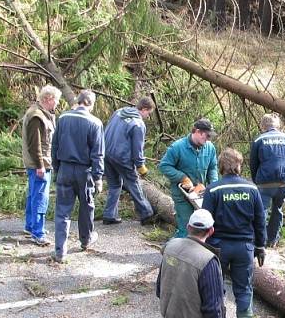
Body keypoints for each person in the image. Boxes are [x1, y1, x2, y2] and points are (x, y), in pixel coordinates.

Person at [202, 148, 267, 318]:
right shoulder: (252, 189)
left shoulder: (213, 190)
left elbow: (205, 220)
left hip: (218, 247)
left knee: (214, 288)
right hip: (244, 248)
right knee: (244, 290)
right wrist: (261, 246)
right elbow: (260, 221)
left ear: (221, 166)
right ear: (239, 165)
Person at [156, 209, 227, 318]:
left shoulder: (170, 246)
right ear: (211, 231)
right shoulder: (207, 260)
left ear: (188, 227)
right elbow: (213, 304)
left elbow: (159, 286)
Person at [51, 89, 105, 263]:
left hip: (65, 168)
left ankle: (60, 250)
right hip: (84, 171)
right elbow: (98, 154)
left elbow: (55, 146)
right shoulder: (95, 123)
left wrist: (56, 168)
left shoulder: (63, 118)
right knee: (86, 206)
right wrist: (98, 177)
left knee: (62, 211)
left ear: (78, 101)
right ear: (91, 104)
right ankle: (85, 240)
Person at [159, 119, 219, 238]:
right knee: (186, 227)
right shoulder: (177, 147)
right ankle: (173, 253)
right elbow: (164, 166)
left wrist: (214, 186)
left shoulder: (210, 148)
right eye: (206, 136)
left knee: (203, 227)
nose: (208, 139)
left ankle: (195, 252)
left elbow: (212, 168)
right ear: (197, 131)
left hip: (200, 195)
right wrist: (182, 177)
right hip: (182, 196)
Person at [249, 113, 285, 247]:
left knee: (262, 211)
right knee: (277, 209)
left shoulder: (258, 140)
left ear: (262, 126)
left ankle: (260, 241)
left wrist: (256, 180)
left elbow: (253, 164)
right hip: (284, 182)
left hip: (264, 183)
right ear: (278, 126)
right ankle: (273, 240)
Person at [102, 96, 157, 225]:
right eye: (148, 113)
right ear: (143, 109)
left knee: (115, 184)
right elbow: (137, 149)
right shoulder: (138, 124)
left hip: (106, 153)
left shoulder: (119, 112)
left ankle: (109, 214)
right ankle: (147, 212)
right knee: (133, 182)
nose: (147, 117)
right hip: (122, 157)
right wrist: (140, 166)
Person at [21, 85, 61, 246]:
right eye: (56, 100)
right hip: (40, 163)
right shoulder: (37, 116)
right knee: (40, 197)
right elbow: (35, 144)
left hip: (39, 162)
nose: (57, 103)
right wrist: (40, 165)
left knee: (33, 194)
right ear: (48, 99)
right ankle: (38, 233)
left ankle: (30, 226)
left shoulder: (41, 113)